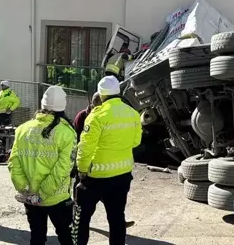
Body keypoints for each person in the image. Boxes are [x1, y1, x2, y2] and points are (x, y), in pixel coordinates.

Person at [75, 76, 142, 245]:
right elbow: (136, 142)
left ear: (101, 94)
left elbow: (85, 148)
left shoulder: (96, 116)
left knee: (82, 218)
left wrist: (82, 170)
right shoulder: (133, 113)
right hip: (122, 175)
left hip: (95, 176)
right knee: (117, 218)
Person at [8, 86, 76, 245]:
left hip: (30, 198)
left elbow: (13, 162)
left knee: (37, 237)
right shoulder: (67, 132)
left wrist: (25, 189)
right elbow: (63, 169)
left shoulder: (23, 129)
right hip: (57, 198)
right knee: (66, 237)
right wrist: (42, 194)